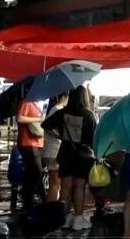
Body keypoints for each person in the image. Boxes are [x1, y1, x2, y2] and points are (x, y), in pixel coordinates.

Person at [42, 86, 97, 230]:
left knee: (65, 188)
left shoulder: (62, 112)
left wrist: (60, 136)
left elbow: (45, 125)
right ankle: (78, 218)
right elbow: (94, 138)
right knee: (79, 187)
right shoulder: (88, 115)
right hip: (82, 156)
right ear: (84, 97)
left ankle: (64, 218)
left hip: (65, 154)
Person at [16, 97, 46, 210]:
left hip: (36, 143)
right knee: (37, 171)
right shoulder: (26, 102)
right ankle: (28, 196)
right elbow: (19, 118)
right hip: (28, 143)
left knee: (33, 172)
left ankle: (35, 199)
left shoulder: (36, 104)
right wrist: (38, 119)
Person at [42, 93, 69, 203]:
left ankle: (50, 208)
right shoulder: (58, 109)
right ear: (65, 97)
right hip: (54, 151)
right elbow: (47, 127)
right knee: (55, 184)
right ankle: (50, 209)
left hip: (51, 150)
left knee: (54, 184)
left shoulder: (54, 109)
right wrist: (60, 136)